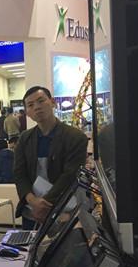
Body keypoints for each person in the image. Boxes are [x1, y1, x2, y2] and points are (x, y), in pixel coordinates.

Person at [14, 86, 87, 230]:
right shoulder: (24, 139)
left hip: (64, 209)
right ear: (27, 112)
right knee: (30, 243)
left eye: (41, 101)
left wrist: (44, 203)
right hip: (32, 210)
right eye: (31, 105)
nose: (37, 107)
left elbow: (70, 175)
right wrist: (32, 201)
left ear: (53, 102)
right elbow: (19, 173)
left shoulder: (75, 137)